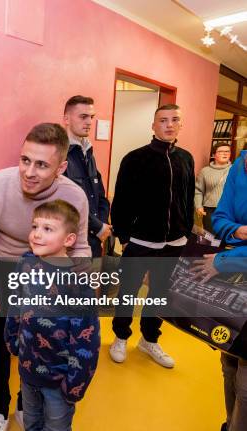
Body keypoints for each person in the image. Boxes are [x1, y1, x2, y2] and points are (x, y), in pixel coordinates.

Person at [0, 123, 91, 431]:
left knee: (39, 341)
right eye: (25, 160)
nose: (29, 172)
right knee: (1, 341)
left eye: (42, 165)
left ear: (61, 167)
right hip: (4, 267)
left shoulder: (74, 196)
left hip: (48, 270)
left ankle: (27, 404)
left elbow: (81, 244)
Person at [109, 104, 194, 368]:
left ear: (181, 124)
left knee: (160, 293)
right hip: (140, 242)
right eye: (163, 120)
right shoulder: (134, 159)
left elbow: (188, 197)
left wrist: (186, 231)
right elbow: (120, 203)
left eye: (174, 120)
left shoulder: (186, 159)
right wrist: (124, 237)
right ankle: (120, 337)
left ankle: (149, 339)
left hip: (174, 243)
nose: (169, 125)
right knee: (128, 292)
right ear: (153, 126)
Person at [5, 200, 100, 431]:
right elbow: (15, 303)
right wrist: (12, 339)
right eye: (35, 226)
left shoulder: (78, 284)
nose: (36, 234)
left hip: (60, 381)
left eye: (47, 229)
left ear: (68, 239)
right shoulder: (25, 264)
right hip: (27, 371)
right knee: (31, 422)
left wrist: (75, 383)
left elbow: (87, 339)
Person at [191, 150, 247, 431]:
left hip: (229, 265)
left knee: (246, 383)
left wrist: (225, 261)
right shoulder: (241, 164)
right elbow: (221, 218)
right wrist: (238, 231)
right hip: (235, 283)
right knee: (229, 363)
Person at [63, 95, 111, 257]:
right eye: (83, 117)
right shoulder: (59, 154)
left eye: (91, 117)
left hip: (94, 240)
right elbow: (65, 202)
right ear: (67, 119)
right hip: (71, 243)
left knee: (91, 282)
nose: (90, 122)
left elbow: (100, 195)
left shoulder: (88, 151)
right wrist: (98, 227)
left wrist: (103, 225)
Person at [195, 142, 231, 233]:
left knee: (225, 235)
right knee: (210, 237)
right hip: (209, 210)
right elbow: (198, 190)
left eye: (227, 151)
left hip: (229, 209)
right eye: (221, 151)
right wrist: (199, 206)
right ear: (214, 154)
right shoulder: (205, 171)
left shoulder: (235, 170)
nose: (225, 153)